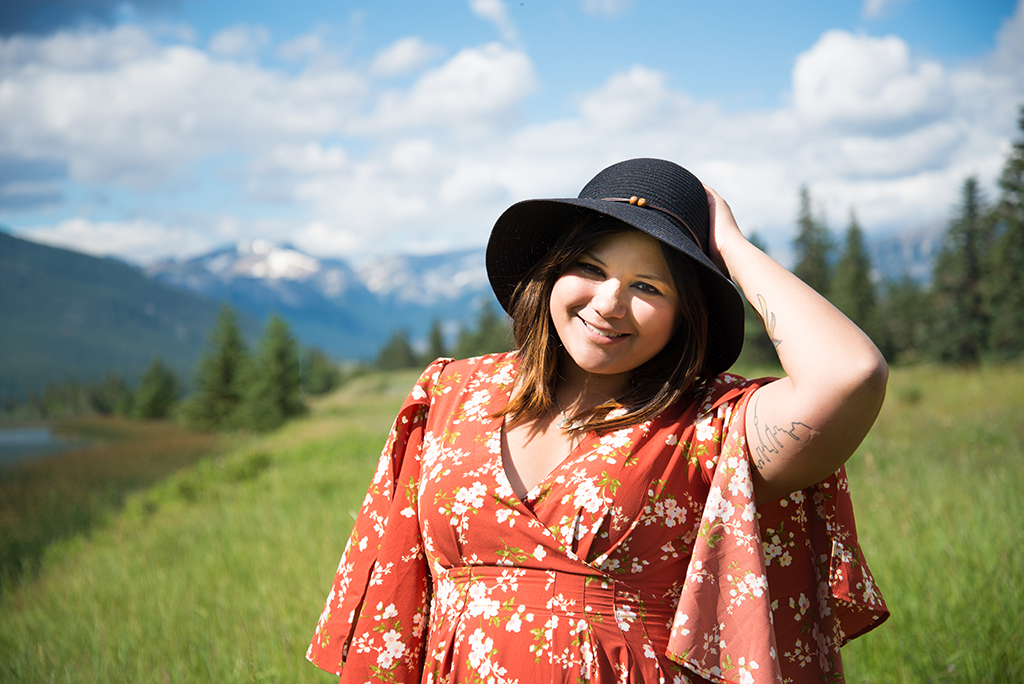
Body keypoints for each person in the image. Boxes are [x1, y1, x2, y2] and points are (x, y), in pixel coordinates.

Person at [307, 158, 890, 683]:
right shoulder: (450, 391)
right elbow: (396, 597)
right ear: (551, 273)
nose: (609, 303)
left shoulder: (710, 423)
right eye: (590, 266)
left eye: (647, 286)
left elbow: (850, 374)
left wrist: (731, 247)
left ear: (686, 315)